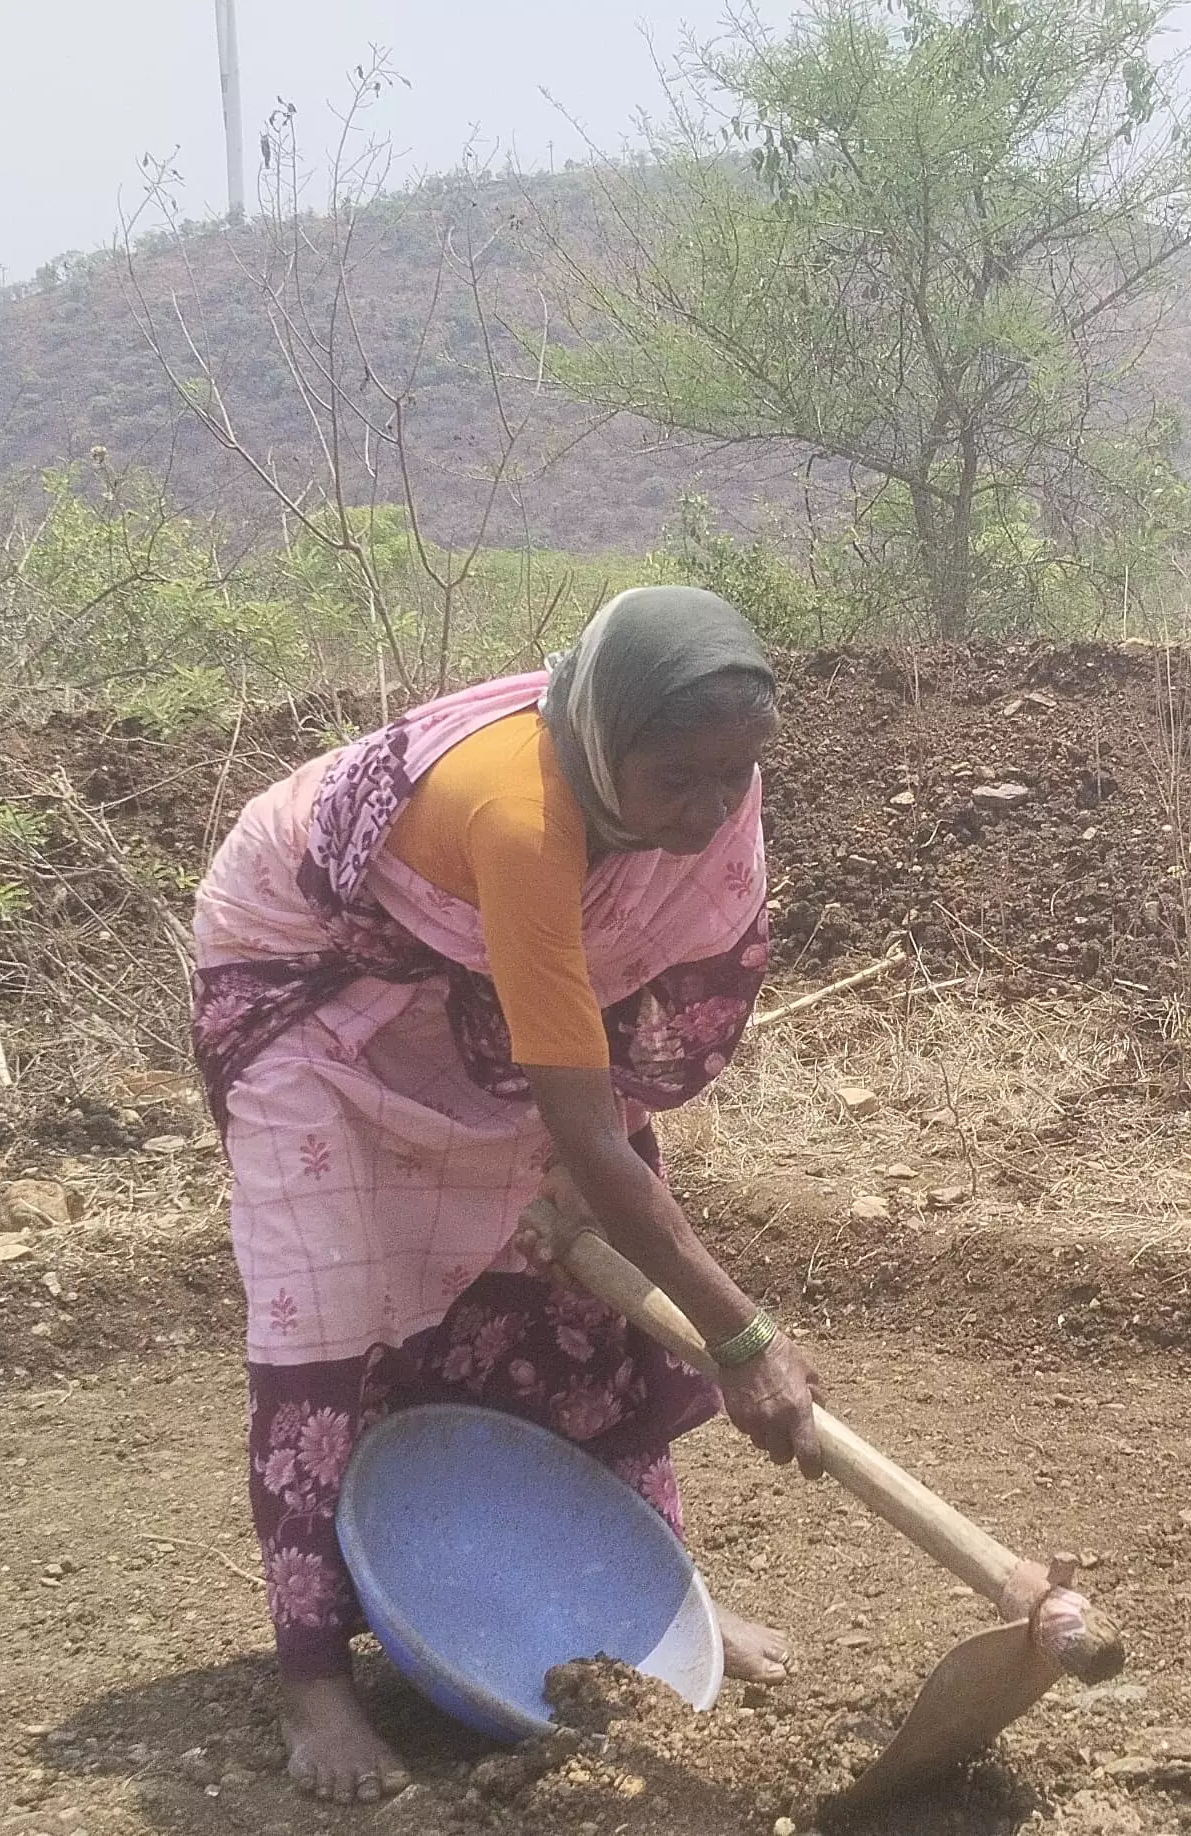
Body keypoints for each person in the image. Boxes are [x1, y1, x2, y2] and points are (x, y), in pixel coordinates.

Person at [189, 587, 818, 1800]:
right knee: (328, 1307)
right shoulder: (528, 824)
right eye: (677, 779)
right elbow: (589, 1135)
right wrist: (743, 1339)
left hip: (478, 981)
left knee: (581, 1290)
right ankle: (313, 1682)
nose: (707, 813)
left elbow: (606, 1080)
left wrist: (693, 1291)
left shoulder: (705, 790)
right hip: (320, 986)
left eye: (735, 775)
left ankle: (656, 1609)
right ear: (601, 736)